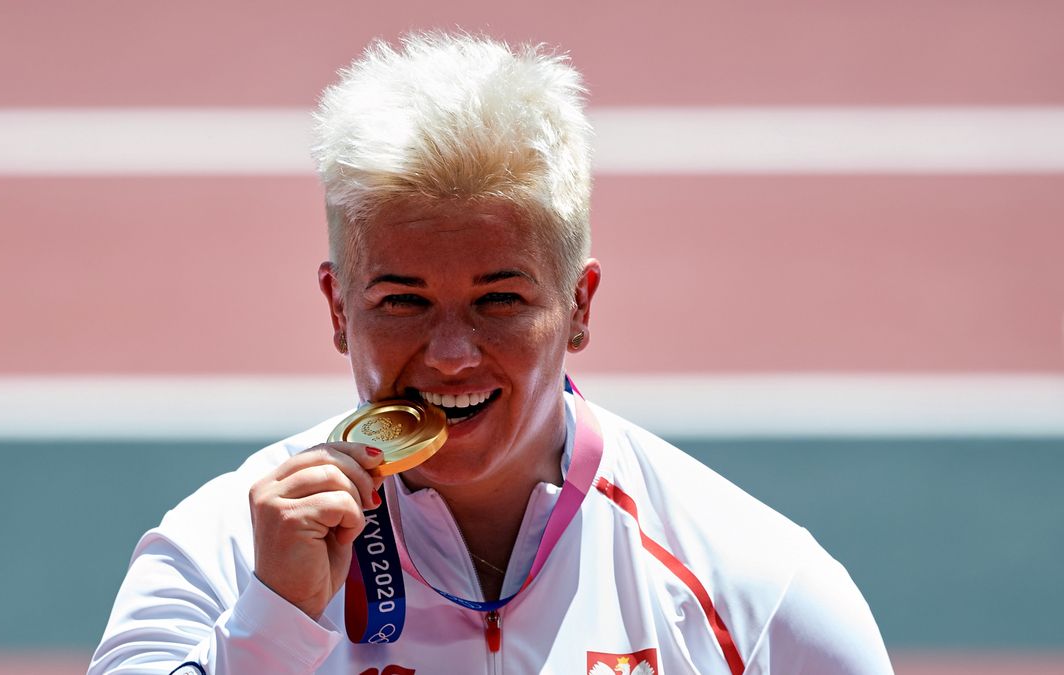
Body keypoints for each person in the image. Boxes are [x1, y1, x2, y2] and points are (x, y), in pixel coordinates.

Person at [89, 32, 893, 675]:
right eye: (401, 300)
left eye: (499, 299)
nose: (449, 353)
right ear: (339, 309)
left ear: (579, 305)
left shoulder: (757, 588)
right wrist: (271, 628)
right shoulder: (221, 551)